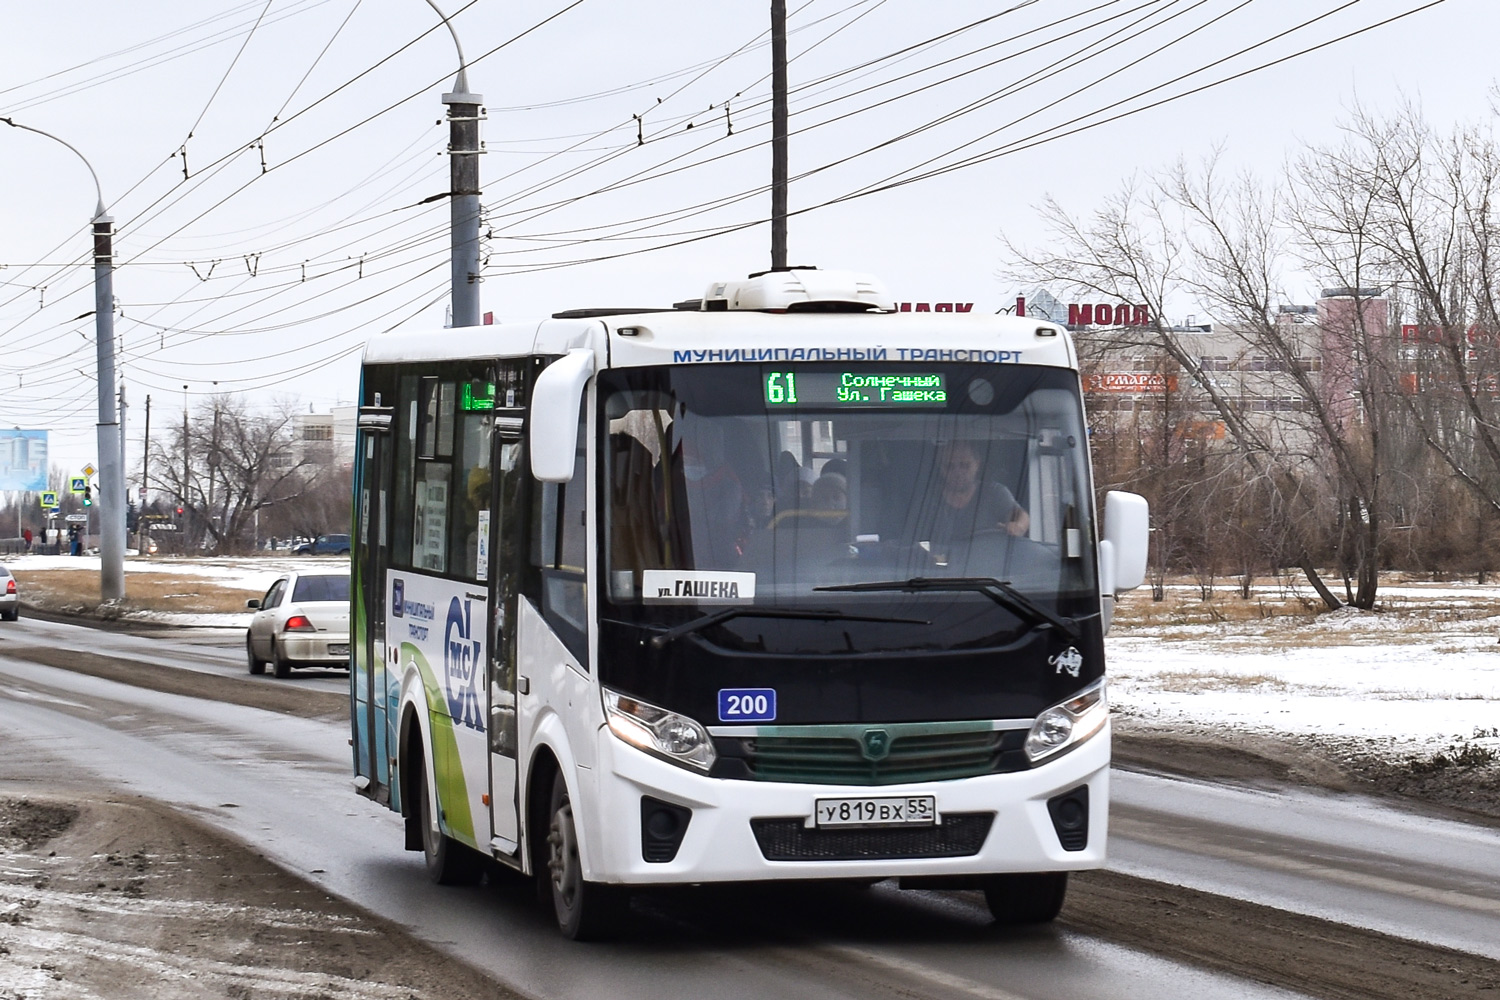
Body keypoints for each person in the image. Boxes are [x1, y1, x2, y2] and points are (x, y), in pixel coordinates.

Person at [918, 440, 1029, 546]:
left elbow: (1020, 515)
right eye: (949, 467)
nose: (957, 473)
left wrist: (1018, 526)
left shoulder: (994, 493)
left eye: (964, 465)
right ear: (940, 468)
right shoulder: (928, 499)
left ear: (977, 464)